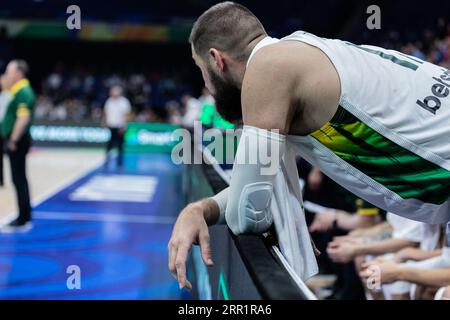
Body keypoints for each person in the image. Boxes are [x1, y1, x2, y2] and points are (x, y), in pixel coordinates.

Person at [168, 2, 450, 289]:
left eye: (200, 69)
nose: (206, 84)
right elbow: (256, 187)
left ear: (216, 60)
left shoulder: (267, 69)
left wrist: (211, 209)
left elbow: (246, 212)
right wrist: (200, 209)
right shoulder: (298, 53)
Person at [0, 60, 35, 232]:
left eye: (9, 71)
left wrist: (13, 139)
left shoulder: (23, 91)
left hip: (18, 142)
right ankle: (23, 216)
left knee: (19, 179)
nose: (7, 74)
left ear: (19, 73)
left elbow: (23, 118)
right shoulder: (17, 90)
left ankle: (23, 218)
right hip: (17, 141)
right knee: (18, 179)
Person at [103, 85, 132, 168]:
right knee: (109, 144)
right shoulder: (109, 101)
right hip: (111, 125)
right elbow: (106, 112)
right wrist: (104, 122)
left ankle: (120, 161)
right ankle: (107, 159)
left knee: (120, 144)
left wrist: (124, 125)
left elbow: (127, 115)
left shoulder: (124, 102)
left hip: (120, 126)